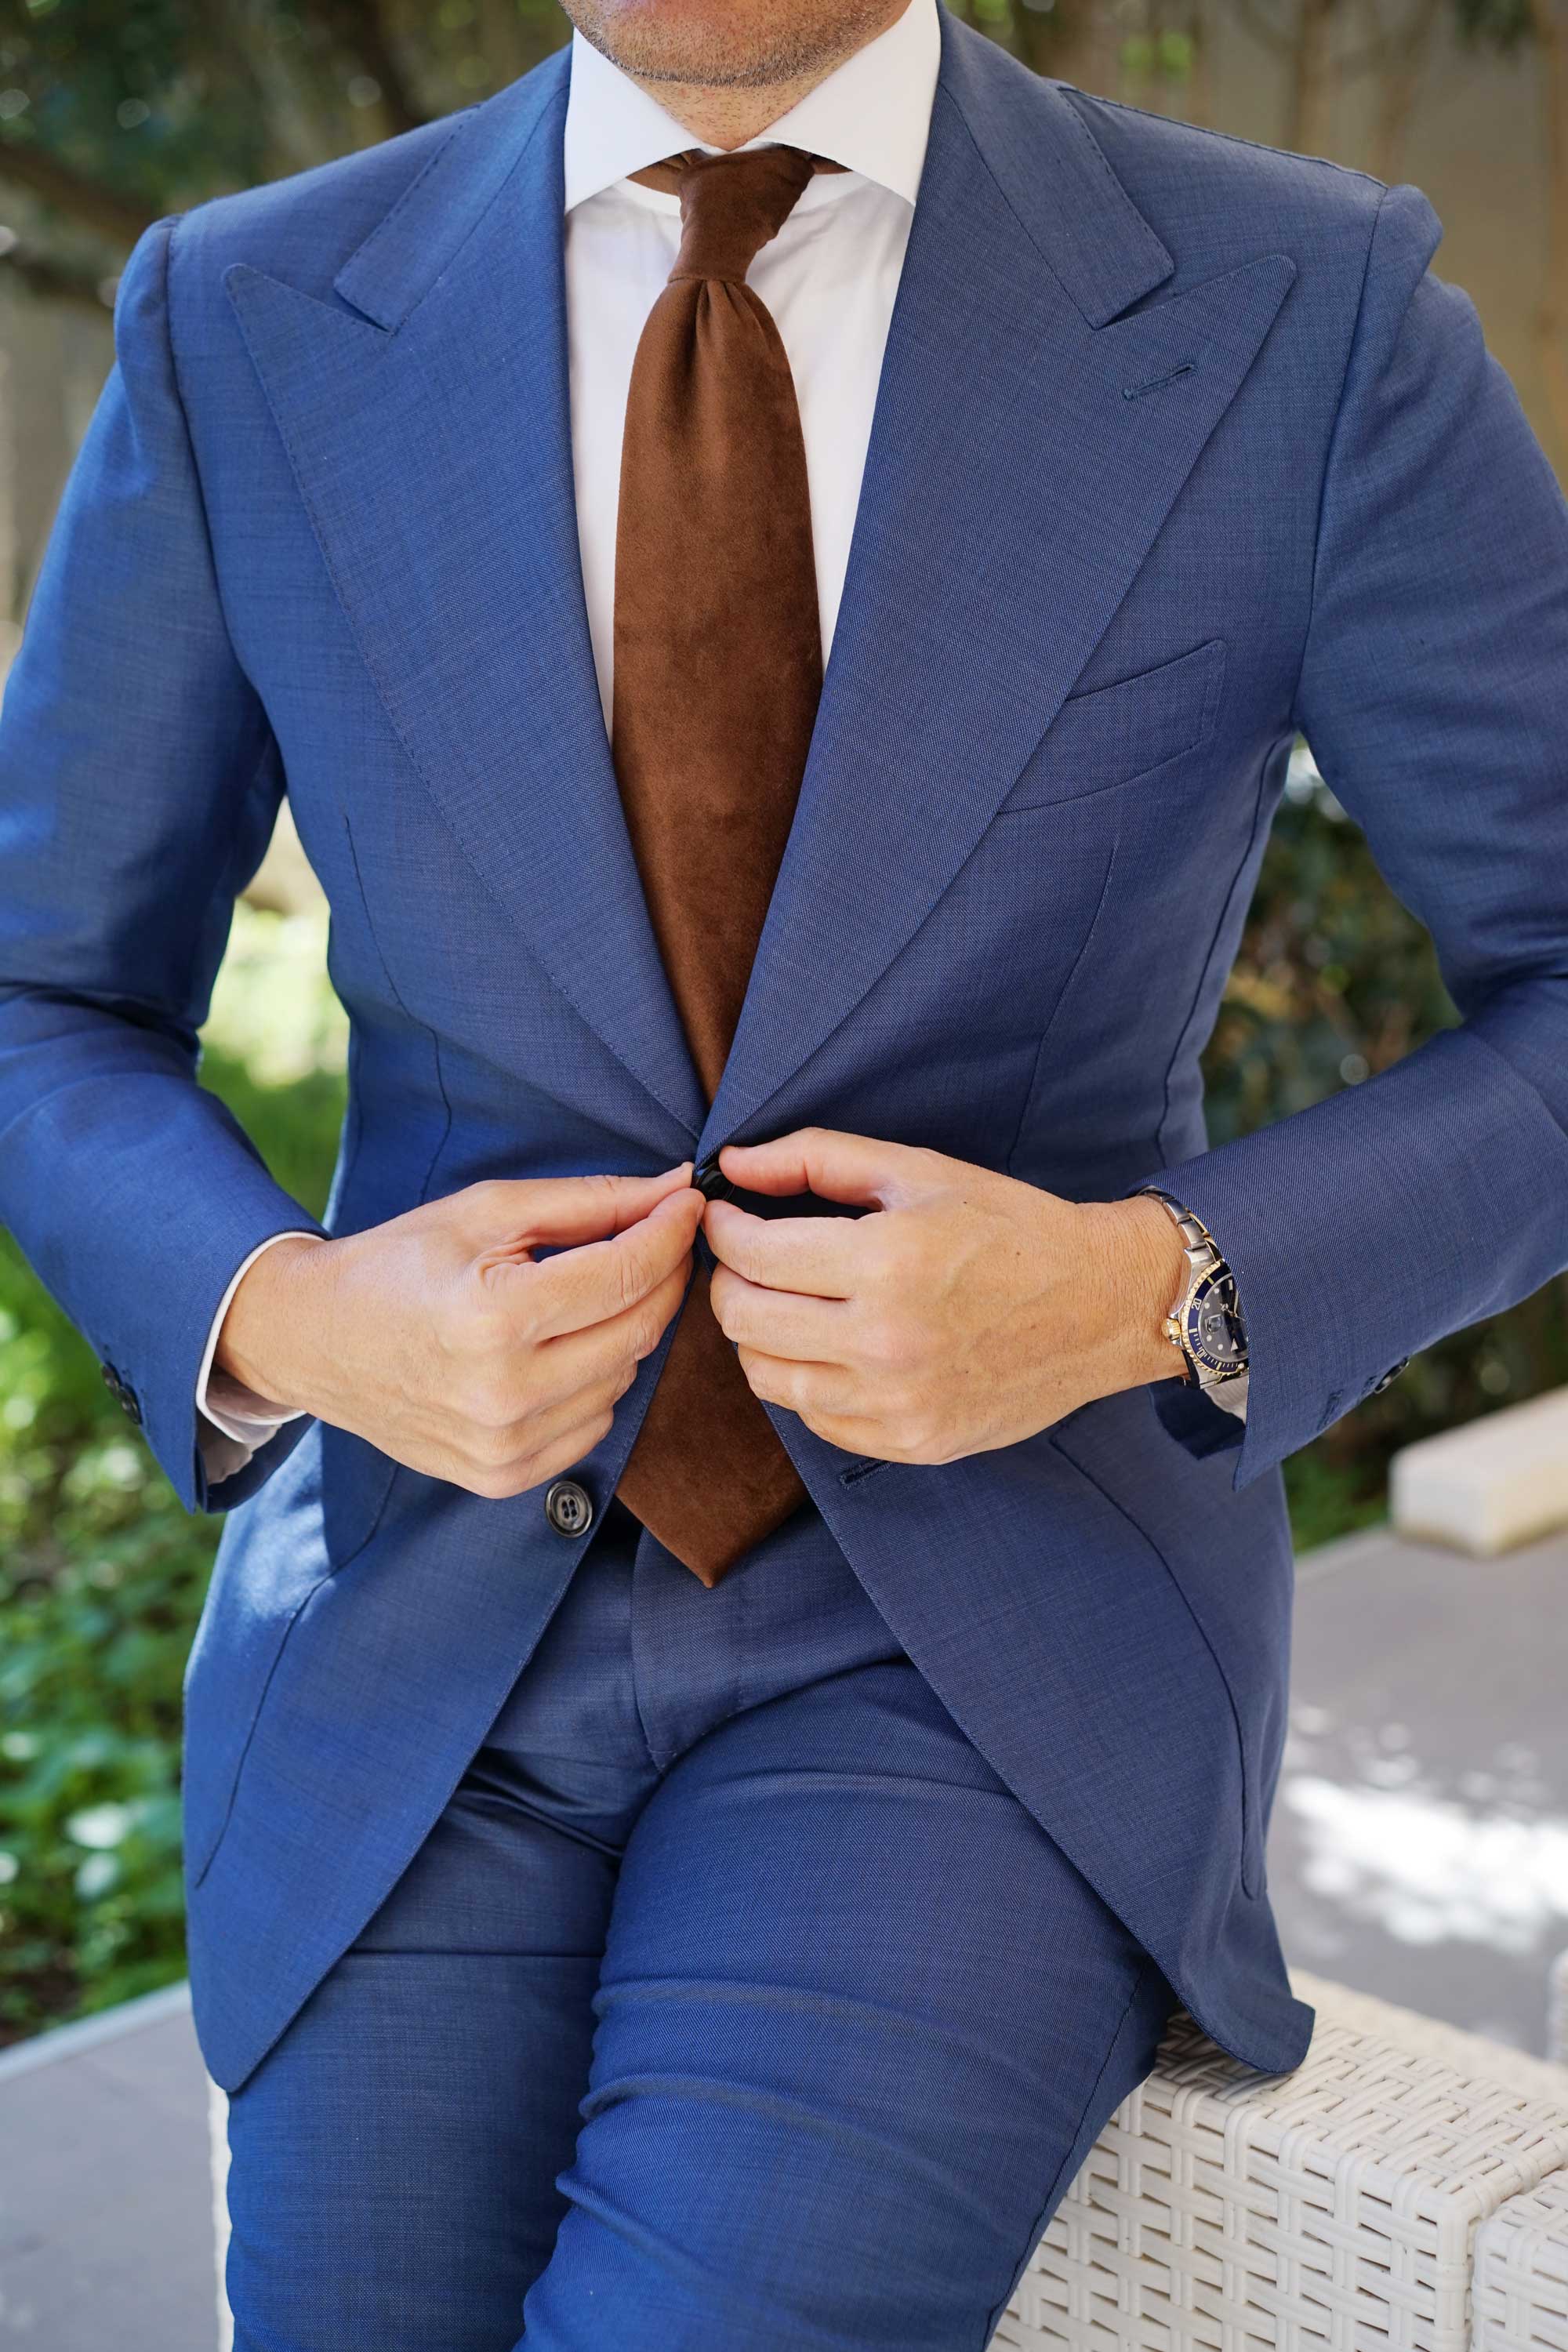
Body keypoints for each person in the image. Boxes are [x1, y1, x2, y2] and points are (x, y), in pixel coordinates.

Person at [2, 0, 1566, 2339]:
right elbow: (42, 995)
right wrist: (303, 1319)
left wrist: (1154, 1285)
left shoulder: (1296, 307)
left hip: (976, 1641)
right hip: (419, 1626)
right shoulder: (242, 312)